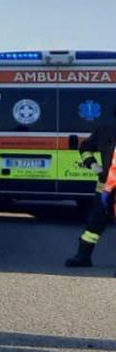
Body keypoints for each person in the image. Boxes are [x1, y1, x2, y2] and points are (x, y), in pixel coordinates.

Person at [65, 111, 116, 268]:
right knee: (93, 225)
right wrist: (93, 165)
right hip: (106, 187)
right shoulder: (106, 130)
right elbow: (85, 147)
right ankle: (83, 256)